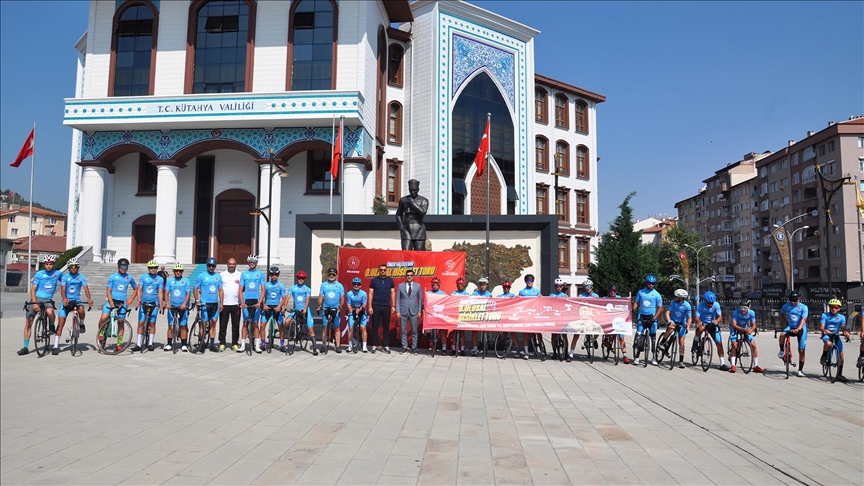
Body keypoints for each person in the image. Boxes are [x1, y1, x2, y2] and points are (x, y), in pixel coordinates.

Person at [20, 255, 62, 355]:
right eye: (47, 264)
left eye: (51, 264)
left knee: (50, 312)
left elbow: (66, 283)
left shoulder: (58, 273)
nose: (49, 266)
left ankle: (51, 325)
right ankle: (25, 347)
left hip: (47, 299)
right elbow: (33, 290)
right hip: (37, 298)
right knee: (28, 322)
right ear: (44, 264)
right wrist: (34, 303)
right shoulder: (39, 274)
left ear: (53, 264)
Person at [97, 258, 138, 353]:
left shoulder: (129, 278)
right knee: (103, 318)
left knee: (121, 322)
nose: (124, 269)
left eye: (125, 267)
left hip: (122, 302)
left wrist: (131, 299)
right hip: (112, 301)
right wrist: (111, 302)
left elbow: (136, 289)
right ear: (118, 267)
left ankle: (119, 344)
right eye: (122, 267)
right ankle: (101, 333)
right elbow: (108, 291)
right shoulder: (112, 277)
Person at [54, 257, 94, 355]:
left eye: (75, 266)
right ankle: (55, 345)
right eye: (71, 266)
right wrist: (64, 298)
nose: (73, 268)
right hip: (66, 301)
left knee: (81, 309)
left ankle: (81, 323)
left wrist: (89, 299)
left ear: (78, 267)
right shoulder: (64, 278)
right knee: (61, 322)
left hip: (76, 300)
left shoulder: (81, 278)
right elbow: (63, 290)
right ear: (68, 267)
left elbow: (86, 288)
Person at [132, 260, 164, 352]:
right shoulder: (143, 277)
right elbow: (139, 289)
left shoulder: (160, 279)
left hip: (154, 303)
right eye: (151, 268)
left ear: (157, 269)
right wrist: (138, 300)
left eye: (155, 268)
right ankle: (138, 344)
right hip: (144, 302)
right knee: (141, 323)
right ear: (148, 269)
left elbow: (160, 292)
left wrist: (161, 304)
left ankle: (150, 343)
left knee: (152, 323)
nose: (153, 270)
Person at [692, 291, 728, 371]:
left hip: (712, 324)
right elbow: (697, 317)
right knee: (700, 329)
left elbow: (720, 316)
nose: (710, 305)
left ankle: (722, 363)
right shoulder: (700, 305)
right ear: (705, 301)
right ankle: (696, 340)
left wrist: (717, 321)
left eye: (711, 303)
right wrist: (699, 323)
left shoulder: (716, 305)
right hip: (703, 323)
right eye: (708, 303)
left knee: (719, 343)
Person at [632, 275, 663, 366]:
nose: (651, 285)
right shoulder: (641, 292)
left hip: (652, 317)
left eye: (652, 284)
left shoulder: (657, 294)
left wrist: (655, 317)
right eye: (649, 283)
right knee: (639, 334)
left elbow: (660, 307)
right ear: (646, 283)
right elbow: (636, 302)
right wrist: (634, 308)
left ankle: (654, 357)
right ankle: (637, 357)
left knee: (653, 337)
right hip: (642, 316)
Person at [194, 257, 223, 353]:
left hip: (214, 303)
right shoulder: (201, 276)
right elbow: (195, 289)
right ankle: (201, 343)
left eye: (213, 266)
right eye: (209, 266)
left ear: (215, 266)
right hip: (205, 303)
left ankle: (212, 344)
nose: (211, 267)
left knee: (213, 324)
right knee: (203, 324)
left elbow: (220, 290)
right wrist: (197, 300)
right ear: (207, 266)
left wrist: (222, 302)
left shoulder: (218, 277)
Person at [729, 299, 765, 373]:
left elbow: (754, 325)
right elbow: (734, 325)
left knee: (753, 345)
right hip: (735, 328)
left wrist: (751, 330)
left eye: (745, 308)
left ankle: (756, 366)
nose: (743, 310)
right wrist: (743, 329)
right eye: (741, 308)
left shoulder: (752, 313)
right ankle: (733, 365)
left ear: (749, 307)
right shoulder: (736, 312)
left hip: (745, 328)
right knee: (734, 345)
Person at [659, 289, 692, 368]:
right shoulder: (673, 303)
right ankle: (662, 342)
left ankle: (681, 361)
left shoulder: (687, 305)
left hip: (681, 323)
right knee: (671, 328)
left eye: (676, 297)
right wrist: (669, 321)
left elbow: (689, 317)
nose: (674, 298)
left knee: (681, 342)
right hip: (673, 320)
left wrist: (688, 325)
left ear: (681, 298)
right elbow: (668, 312)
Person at [238, 255, 265, 353]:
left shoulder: (260, 274)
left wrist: (260, 302)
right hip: (246, 301)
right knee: (245, 323)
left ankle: (257, 346)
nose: (252, 264)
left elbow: (263, 290)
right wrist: (241, 302)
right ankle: (243, 345)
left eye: (253, 262)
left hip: (256, 301)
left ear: (256, 263)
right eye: (250, 262)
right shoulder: (244, 274)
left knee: (255, 324)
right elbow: (240, 290)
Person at [778, 291, 808, 377]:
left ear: (799, 299)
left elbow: (804, 319)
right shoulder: (786, 306)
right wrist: (786, 322)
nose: (793, 302)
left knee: (801, 350)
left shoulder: (803, 307)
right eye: (791, 301)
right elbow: (782, 313)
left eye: (795, 301)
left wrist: (798, 329)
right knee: (782, 335)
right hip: (791, 326)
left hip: (801, 328)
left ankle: (800, 370)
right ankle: (781, 350)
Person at [819, 298, 850, 382]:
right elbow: (821, 326)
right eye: (832, 307)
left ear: (839, 308)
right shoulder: (825, 315)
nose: (833, 309)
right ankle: (824, 355)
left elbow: (843, 327)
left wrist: (845, 332)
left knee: (841, 354)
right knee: (828, 344)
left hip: (835, 336)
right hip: (827, 335)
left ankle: (839, 374)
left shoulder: (842, 317)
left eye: (836, 307)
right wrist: (824, 330)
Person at [568, 279, 599, 362]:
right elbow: (577, 306)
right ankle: (571, 354)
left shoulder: (596, 296)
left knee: (599, 330)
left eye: (589, 287)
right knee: (576, 335)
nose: (587, 288)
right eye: (586, 287)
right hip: (582, 317)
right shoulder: (581, 296)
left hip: (592, 316)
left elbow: (599, 307)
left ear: (592, 287)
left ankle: (593, 339)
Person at [367, 263, 395, 354]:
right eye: (381, 270)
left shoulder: (390, 280)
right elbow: (370, 293)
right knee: (374, 326)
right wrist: (370, 306)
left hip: (386, 306)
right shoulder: (374, 280)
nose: (383, 271)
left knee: (386, 327)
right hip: (376, 305)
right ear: (379, 270)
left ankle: (386, 346)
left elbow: (392, 293)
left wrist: (393, 305)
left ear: (386, 271)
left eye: (384, 270)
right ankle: (374, 345)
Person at [163, 263, 191, 352]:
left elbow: (188, 294)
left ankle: (184, 344)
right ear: (174, 272)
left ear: (182, 272)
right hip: (172, 306)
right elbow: (166, 293)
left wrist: (184, 304)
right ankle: (169, 344)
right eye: (176, 271)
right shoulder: (170, 281)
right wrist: (167, 303)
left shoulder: (186, 281)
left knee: (183, 326)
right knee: (170, 326)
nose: (178, 272)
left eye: (179, 271)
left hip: (182, 307)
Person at [317, 266, 345, 354]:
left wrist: (340, 306)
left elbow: (342, 297)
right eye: (330, 274)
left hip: (336, 309)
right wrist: (319, 305)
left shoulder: (340, 286)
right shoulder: (323, 285)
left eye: (333, 274)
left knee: (337, 328)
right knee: (324, 328)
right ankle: (323, 345)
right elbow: (321, 296)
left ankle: (337, 346)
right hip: (326, 308)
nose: (331, 276)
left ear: (336, 275)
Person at [395, 179, 429, 251]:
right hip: (406, 229)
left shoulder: (424, 200)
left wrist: (413, 204)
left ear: (418, 190)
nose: (412, 192)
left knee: (419, 256)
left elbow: (423, 212)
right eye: (411, 190)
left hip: (419, 230)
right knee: (406, 254)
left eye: (414, 190)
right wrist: (401, 227)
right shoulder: (403, 200)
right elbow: (398, 214)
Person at [260, 266, 287, 353]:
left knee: (281, 326)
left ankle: (282, 344)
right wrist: (263, 305)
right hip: (267, 306)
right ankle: (263, 343)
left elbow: (284, 298)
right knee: (262, 325)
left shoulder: (281, 285)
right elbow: (262, 296)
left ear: (278, 275)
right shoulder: (266, 285)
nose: (274, 276)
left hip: (277, 307)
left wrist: (280, 306)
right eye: (272, 274)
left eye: (275, 275)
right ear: (270, 275)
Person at [396, 269, 424, 354]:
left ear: (413, 276)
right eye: (407, 275)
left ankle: (414, 347)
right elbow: (397, 299)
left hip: (414, 311)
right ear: (406, 276)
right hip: (403, 310)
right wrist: (398, 311)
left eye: (411, 275)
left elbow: (420, 300)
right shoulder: (400, 286)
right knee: (403, 330)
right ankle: (404, 347)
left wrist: (419, 311)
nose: (409, 277)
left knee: (414, 330)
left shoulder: (418, 286)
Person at [219, 257, 241, 351]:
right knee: (223, 325)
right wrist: (221, 303)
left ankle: (235, 343)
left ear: (235, 264)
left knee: (235, 325)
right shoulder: (221, 275)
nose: (231, 265)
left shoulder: (240, 275)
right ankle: (222, 343)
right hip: (225, 304)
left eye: (233, 264)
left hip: (236, 304)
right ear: (227, 264)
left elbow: (242, 288)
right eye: (230, 263)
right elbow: (219, 289)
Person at [287, 270, 314, 349]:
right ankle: (292, 333)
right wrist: (284, 306)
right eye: (299, 278)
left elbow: (307, 299)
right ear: (297, 278)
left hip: (305, 309)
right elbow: (288, 297)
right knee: (286, 322)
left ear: (304, 279)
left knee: (310, 328)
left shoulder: (307, 289)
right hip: (296, 310)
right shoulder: (293, 288)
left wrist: (305, 308)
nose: (301, 279)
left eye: (302, 278)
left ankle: (314, 347)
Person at [517, 274, 541, 359]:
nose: (529, 282)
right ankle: (526, 352)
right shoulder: (522, 291)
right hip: (526, 315)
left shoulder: (537, 291)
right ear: (525, 281)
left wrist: (541, 297)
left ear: (533, 281)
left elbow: (541, 301)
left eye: (531, 281)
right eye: (528, 280)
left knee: (538, 332)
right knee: (526, 334)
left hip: (534, 314)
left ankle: (540, 345)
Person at [604, 284, 630, 364]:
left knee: (621, 338)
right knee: (607, 331)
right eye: (611, 291)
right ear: (609, 291)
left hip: (618, 320)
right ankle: (606, 338)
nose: (613, 293)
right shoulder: (605, 298)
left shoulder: (620, 298)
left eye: (614, 291)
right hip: (608, 320)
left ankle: (624, 356)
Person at [468, 277, 493, 356]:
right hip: (477, 315)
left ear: (486, 285)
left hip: (485, 315)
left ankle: (488, 336)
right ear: (479, 285)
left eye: (484, 285)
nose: (483, 286)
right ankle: (475, 349)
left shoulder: (489, 294)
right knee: (474, 333)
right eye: (481, 285)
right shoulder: (475, 293)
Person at [345, 277, 369, 353]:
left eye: (358, 284)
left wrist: (359, 309)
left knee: (363, 328)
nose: (356, 286)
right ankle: (350, 346)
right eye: (354, 284)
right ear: (352, 285)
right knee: (351, 328)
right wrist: (350, 309)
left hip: (361, 311)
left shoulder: (363, 293)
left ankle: (364, 346)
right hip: (352, 311)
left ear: (360, 285)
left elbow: (364, 304)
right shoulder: (349, 293)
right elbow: (348, 304)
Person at [549, 278, 570, 361]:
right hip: (554, 317)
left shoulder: (565, 296)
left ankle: (566, 353)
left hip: (562, 317)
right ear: (555, 287)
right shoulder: (551, 295)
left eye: (560, 286)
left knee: (564, 335)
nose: (559, 288)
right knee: (553, 335)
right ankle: (554, 352)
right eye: (557, 286)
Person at [450, 277, 471, 356]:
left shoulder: (467, 294)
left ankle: (462, 349)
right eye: (459, 285)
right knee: (455, 332)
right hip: (455, 314)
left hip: (463, 314)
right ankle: (453, 348)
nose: (460, 286)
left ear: (464, 285)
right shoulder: (454, 293)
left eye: (462, 285)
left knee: (462, 332)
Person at [426, 277, 446, 352]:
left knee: (443, 331)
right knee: (428, 320)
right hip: (432, 314)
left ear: (439, 285)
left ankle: (444, 348)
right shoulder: (429, 293)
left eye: (437, 284)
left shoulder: (442, 293)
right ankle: (428, 332)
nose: (435, 286)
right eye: (433, 284)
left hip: (440, 314)